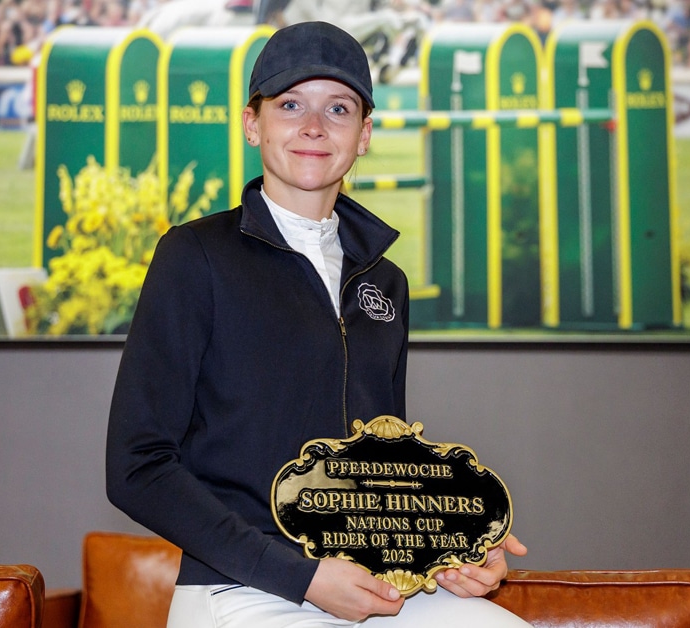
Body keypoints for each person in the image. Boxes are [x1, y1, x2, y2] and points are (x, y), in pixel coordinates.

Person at [106, 21, 530, 627]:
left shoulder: (385, 282)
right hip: (242, 589)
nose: (313, 126)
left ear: (363, 135)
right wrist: (299, 575)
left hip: (372, 585)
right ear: (253, 124)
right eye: (289, 105)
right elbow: (136, 466)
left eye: (338, 108)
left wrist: (453, 549)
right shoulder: (194, 256)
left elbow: (381, 466)